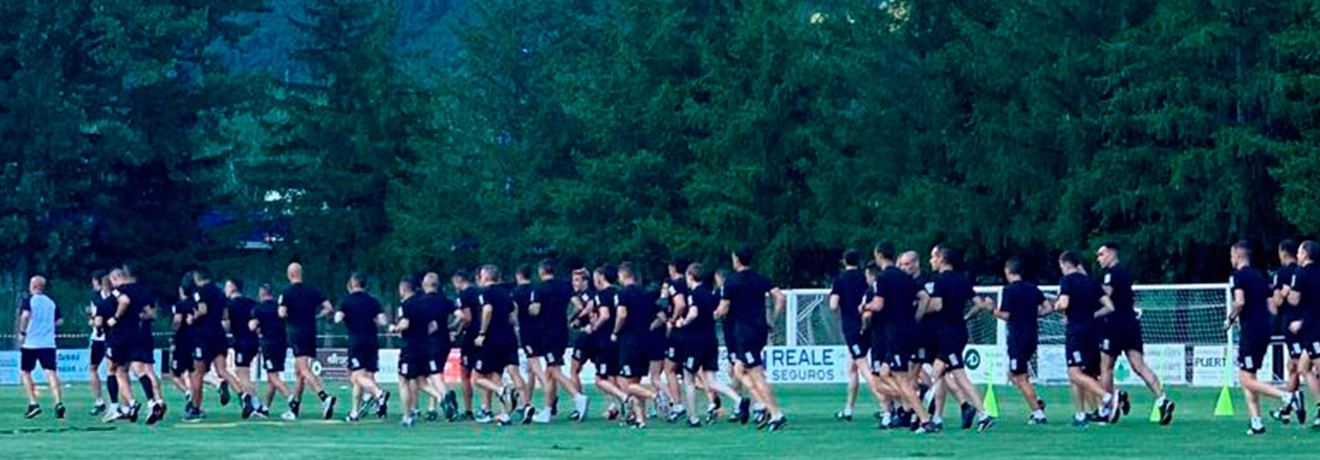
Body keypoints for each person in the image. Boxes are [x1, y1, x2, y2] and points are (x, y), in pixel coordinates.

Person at [1226, 241, 1303, 435]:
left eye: (1231, 256)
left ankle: (1287, 397)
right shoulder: (1261, 276)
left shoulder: (1238, 276)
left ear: (1238, 256)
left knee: (1246, 379)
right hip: (1264, 328)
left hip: (1251, 330)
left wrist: (1230, 319)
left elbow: (1239, 302)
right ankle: (1256, 422)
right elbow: (1273, 307)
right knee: (1249, 376)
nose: (1231, 260)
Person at [1095, 243, 1173, 424]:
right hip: (1131, 324)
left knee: (1105, 367)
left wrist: (1088, 293)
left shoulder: (1111, 274)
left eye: (1101, 254)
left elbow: (1106, 293)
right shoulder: (1125, 273)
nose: (1099, 258)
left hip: (1114, 325)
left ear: (1112, 254)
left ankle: (1106, 407)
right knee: (1139, 366)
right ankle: (1162, 400)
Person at [717, 245, 788, 431]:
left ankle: (776, 413)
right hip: (759, 330)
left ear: (737, 259)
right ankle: (760, 402)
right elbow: (780, 298)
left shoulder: (731, 282)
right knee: (739, 369)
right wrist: (772, 319)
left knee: (756, 373)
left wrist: (710, 315)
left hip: (745, 332)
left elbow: (723, 309)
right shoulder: (760, 278)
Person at [864, 243, 934, 433]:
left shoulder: (884, 278)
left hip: (896, 333)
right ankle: (915, 398)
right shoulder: (905, 277)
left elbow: (878, 305)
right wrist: (916, 318)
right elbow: (924, 297)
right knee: (883, 375)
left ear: (878, 255)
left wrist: (864, 307)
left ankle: (925, 419)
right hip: (909, 331)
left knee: (901, 379)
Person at [925, 244, 994, 432]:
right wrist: (966, 316)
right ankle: (936, 418)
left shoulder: (940, 281)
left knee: (952, 376)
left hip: (948, 334)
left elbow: (937, 306)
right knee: (941, 375)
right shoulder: (962, 280)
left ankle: (983, 414)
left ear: (941, 258)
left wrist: (919, 308)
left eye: (933, 257)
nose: (931, 260)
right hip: (958, 331)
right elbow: (980, 304)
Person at [974, 257, 1049, 424]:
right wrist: (1033, 315)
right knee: (1013, 375)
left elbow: (1006, 315)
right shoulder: (1033, 289)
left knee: (1020, 377)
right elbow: (1048, 307)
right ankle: (1037, 400)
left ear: (1008, 272)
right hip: (1032, 336)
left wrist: (991, 309)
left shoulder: (1009, 291)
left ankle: (1038, 414)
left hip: (1018, 338)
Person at [1053, 250, 1119, 427]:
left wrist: (1057, 305)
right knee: (1080, 375)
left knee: (1073, 373)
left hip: (1076, 332)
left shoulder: (1067, 281)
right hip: (1092, 332)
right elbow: (1110, 307)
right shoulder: (1091, 282)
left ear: (1066, 264)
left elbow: (1064, 304)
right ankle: (1080, 415)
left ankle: (1107, 397)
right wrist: (1092, 315)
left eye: (1060, 265)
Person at [677, 263, 745, 428]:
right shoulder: (711, 294)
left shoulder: (695, 294)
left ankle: (693, 417)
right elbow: (717, 313)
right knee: (711, 380)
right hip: (711, 340)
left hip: (695, 341)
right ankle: (739, 400)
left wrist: (683, 323)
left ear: (691, 276)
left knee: (689, 378)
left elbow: (693, 313)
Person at [184, 269, 251, 422]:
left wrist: (192, 319)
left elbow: (202, 310)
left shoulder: (200, 291)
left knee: (197, 373)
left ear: (196, 277)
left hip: (203, 335)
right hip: (219, 333)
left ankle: (195, 408)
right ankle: (243, 395)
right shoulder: (220, 293)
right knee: (222, 370)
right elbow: (225, 316)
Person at [528, 259, 589, 424]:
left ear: (541, 271)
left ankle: (578, 397)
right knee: (550, 372)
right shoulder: (565, 286)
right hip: (562, 331)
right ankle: (547, 411)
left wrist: (530, 310)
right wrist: (569, 317)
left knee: (554, 370)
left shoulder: (539, 288)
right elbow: (578, 306)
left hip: (547, 332)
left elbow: (535, 309)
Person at [277, 262, 338, 420]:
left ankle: (324, 397)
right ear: (301, 274)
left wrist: (286, 314)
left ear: (290, 275)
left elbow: (282, 313)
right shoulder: (312, 290)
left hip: (296, 332)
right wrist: (317, 316)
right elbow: (329, 308)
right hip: (311, 332)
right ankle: (294, 408)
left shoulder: (287, 292)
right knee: (299, 373)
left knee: (303, 369)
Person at [106, 267, 166, 425]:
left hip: (121, 335)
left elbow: (124, 301)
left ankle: (126, 404)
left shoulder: (118, 291)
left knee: (116, 370)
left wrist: (117, 318)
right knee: (141, 370)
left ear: (115, 278)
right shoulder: (142, 291)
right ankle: (153, 401)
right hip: (139, 334)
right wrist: (136, 317)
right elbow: (151, 314)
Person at [830, 249, 882, 421]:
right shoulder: (865, 277)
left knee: (863, 367)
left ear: (844, 261)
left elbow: (833, 305)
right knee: (852, 367)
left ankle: (886, 407)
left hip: (853, 327)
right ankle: (848, 409)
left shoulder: (840, 279)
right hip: (869, 325)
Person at [335, 272, 389, 422]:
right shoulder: (373, 301)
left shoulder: (346, 300)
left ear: (352, 283)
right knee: (363, 376)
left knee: (356, 376)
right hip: (372, 340)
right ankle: (354, 412)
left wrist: (342, 315)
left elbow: (338, 318)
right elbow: (382, 320)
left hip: (356, 340)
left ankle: (378, 393)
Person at [470, 265, 520, 426]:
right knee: (495, 374)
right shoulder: (506, 292)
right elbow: (513, 313)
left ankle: (502, 390)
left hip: (491, 338)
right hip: (507, 336)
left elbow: (488, 310)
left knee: (477, 378)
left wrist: (482, 333)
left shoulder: (487, 292)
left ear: (485, 277)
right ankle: (505, 414)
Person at [614, 262, 662, 428]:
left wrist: (615, 332)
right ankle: (640, 419)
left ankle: (654, 396)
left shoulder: (623, 294)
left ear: (625, 275)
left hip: (630, 342)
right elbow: (661, 316)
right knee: (635, 382)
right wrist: (649, 327)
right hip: (646, 342)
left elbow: (622, 315)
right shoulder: (646, 294)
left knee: (627, 384)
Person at [392, 277, 445, 427]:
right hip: (425, 346)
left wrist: (394, 328)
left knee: (404, 381)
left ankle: (407, 416)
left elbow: (405, 324)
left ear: (403, 289)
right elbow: (434, 326)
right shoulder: (424, 303)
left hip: (410, 347)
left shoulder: (405, 305)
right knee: (421, 381)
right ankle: (442, 398)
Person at [1271, 239, 1307, 424]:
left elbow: (1277, 303)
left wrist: (1277, 293)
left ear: (1283, 253)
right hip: (1307, 321)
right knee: (1292, 366)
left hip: (1292, 325)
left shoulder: (1283, 273)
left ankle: (1295, 400)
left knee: (1300, 365)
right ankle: (1286, 408)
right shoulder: (1304, 271)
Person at [19, 276, 65, 419]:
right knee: (51, 372)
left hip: (31, 343)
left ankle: (33, 403)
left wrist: (22, 331)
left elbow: (25, 316)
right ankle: (58, 402)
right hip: (48, 343)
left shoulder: (29, 301)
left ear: (32, 285)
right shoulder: (51, 303)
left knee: (25, 372)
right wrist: (47, 325)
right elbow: (60, 321)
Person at [1286, 240, 1320, 430]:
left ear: (1305, 254)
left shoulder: (1301, 272)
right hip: (1312, 325)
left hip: (1315, 328)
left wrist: (1288, 291)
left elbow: (1293, 299)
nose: (1297, 255)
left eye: (1299, 251)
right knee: (1303, 367)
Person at [250, 284, 295, 419]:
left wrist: (253, 325)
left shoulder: (259, 308)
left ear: (262, 293)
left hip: (269, 344)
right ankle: (265, 408)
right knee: (272, 378)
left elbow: (253, 326)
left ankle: (291, 399)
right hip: (282, 343)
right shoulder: (278, 306)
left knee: (273, 376)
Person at [421, 272, 459, 422]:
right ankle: (432, 408)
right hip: (445, 341)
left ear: (425, 285)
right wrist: (452, 326)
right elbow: (461, 315)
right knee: (435, 373)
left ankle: (445, 397)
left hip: (430, 342)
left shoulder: (421, 301)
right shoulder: (446, 300)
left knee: (432, 373)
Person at [226, 278, 265, 418]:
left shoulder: (230, 305)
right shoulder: (251, 302)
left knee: (242, 374)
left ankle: (254, 404)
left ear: (233, 287)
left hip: (241, 341)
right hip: (253, 341)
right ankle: (256, 403)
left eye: (227, 286)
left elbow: (227, 325)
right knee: (245, 373)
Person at [567, 268, 598, 421]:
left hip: (587, 338)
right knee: (603, 375)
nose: (574, 284)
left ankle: (579, 403)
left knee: (574, 370)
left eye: (577, 280)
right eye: (573, 280)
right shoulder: (589, 294)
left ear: (586, 281)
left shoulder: (586, 295)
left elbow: (585, 309)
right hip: (595, 337)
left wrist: (572, 318)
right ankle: (615, 404)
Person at [452, 270, 483, 421]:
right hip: (484, 335)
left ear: (458, 280)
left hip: (470, 337)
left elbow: (467, 318)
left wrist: (456, 331)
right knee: (486, 372)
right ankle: (486, 408)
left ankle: (468, 410)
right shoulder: (480, 291)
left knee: (465, 374)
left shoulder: (463, 295)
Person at [88, 271, 119, 417]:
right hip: (102, 338)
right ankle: (100, 401)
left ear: (98, 281)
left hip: (104, 337)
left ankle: (114, 403)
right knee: (95, 368)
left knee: (112, 370)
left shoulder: (101, 299)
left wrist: (94, 323)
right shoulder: (114, 296)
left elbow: (95, 320)